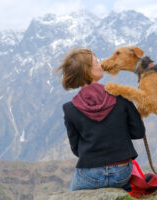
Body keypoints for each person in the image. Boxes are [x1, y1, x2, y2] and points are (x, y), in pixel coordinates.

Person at [54, 48, 145, 191]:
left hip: (90, 174)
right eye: (96, 62)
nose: (101, 64)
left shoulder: (70, 109)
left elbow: (76, 149)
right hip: (122, 172)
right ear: (88, 71)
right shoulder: (121, 96)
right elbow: (138, 132)